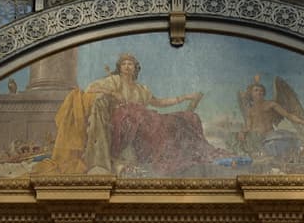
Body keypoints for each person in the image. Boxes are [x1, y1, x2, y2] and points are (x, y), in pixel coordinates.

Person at [38, 53, 216, 175]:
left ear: (136, 67)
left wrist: (185, 97)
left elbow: (160, 102)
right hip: (123, 121)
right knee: (136, 115)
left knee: (182, 119)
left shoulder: (141, 89)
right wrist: (112, 93)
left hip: (143, 118)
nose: (127, 66)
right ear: (119, 67)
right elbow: (91, 88)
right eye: (124, 63)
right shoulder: (113, 80)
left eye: (131, 63)